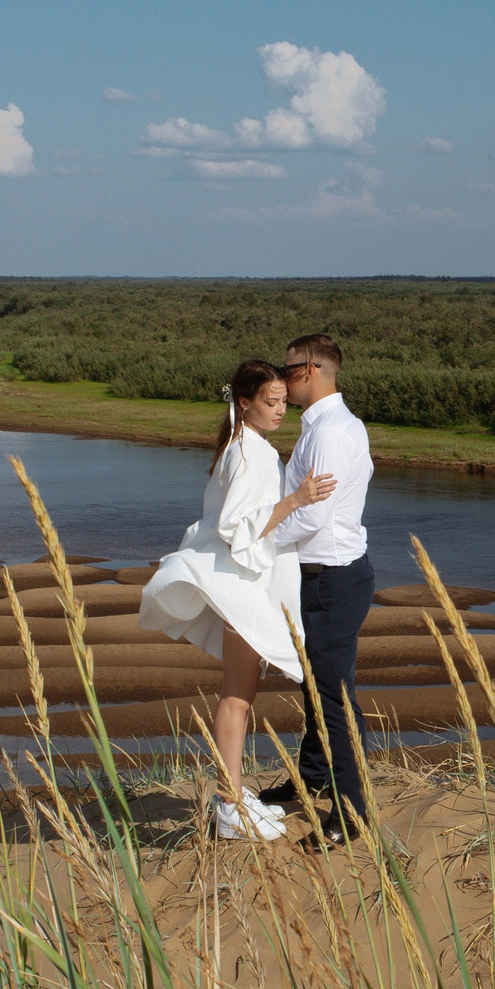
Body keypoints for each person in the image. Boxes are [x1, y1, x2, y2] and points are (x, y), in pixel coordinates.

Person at [136, 357, 337, 841]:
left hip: (246, 581)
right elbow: (234, 529)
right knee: (237, 697)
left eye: (284, 402)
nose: (280, 410)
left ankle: (231, 795)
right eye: (270, 402)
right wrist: (297, 498)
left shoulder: (245, 446)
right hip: (242, 585)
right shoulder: (249, 454)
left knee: (240, 694)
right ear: (243, 402)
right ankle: (229, 806)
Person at [258, 333, 374, 844]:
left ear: (309, 370)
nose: (281, 381)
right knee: (320, 684)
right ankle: (313, 775)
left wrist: (261, 538)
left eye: (286, 371)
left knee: (332, 696)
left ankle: (351, 815)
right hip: (337, 574)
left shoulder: (328, 433)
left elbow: (314, 514)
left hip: (329, 577)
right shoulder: (339, 425)